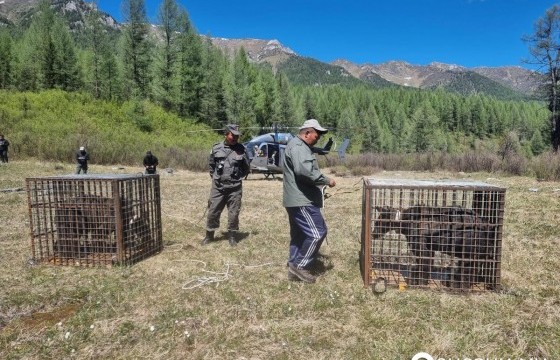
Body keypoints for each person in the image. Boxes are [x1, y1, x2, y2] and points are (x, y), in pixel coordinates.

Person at [283, 119, 336, 283]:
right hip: (302, 199)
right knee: (317, 232)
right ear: (307, 133)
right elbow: (305, 171)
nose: (318, 137)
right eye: (317, 134)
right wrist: (326, 180)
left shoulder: (298, 145)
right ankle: (299, 265)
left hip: (295, 199)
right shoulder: (299, 147)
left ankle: (293, 267)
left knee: (299, 235)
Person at [201, 124, 250, 247]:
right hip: (218, 187)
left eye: (237, 136)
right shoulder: (216, 148)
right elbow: (211, 165)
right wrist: (217, 178)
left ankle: (232, 236)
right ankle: (209, 235)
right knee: (213, 211)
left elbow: (246, 168)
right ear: (226, 134)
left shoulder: (242, 149)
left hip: (235, 188)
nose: (235, 138)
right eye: (232, 135)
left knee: (234, 213)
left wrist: (236, 178)